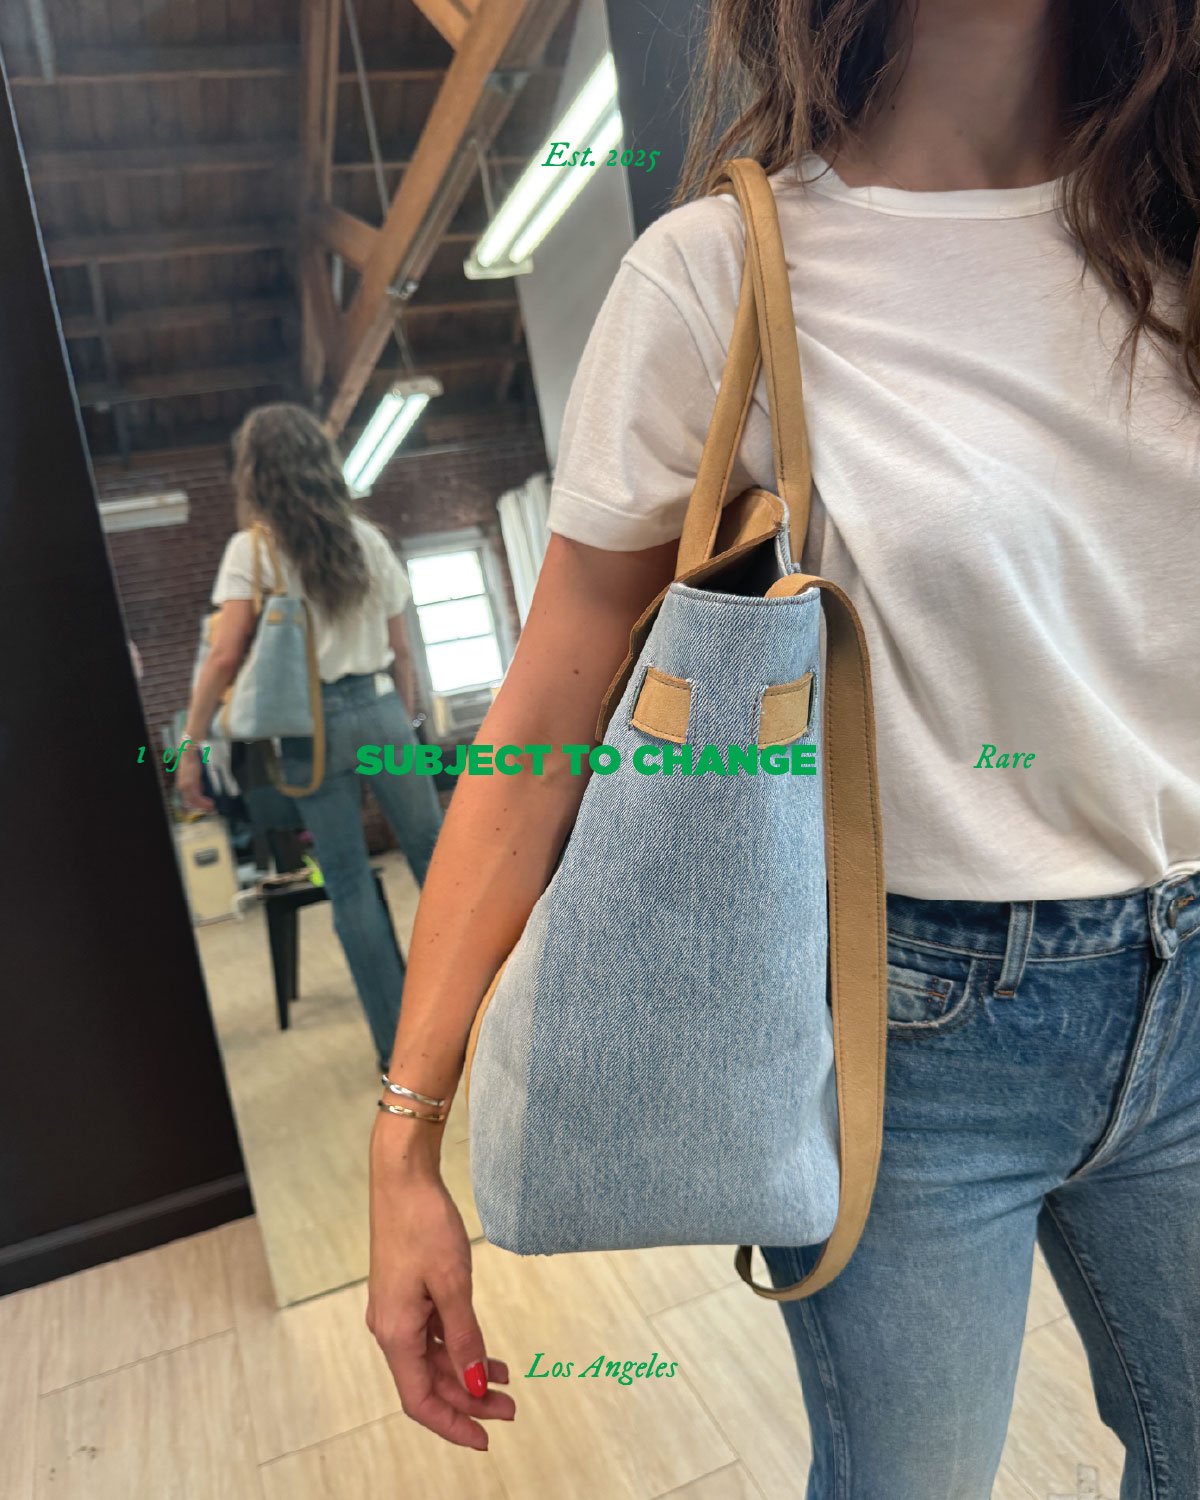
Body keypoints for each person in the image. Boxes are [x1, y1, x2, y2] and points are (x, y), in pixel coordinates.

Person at [364, 2, 1200, 1493]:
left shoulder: (1170, 230)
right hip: (916, 1040)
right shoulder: (722, 278)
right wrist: (403, 1142)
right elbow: (541, 725)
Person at [177, 403, 442, 1074]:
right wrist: (401, 727)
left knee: (350, 884)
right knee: (437, 865)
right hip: (381, 708)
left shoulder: (253, 549)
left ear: (255, 472)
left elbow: (225, 654)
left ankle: (401, 1052)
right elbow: (401, 651)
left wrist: (192, 744)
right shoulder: (366, 539)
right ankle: (479, 1012)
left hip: (309, 728)